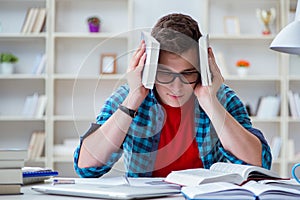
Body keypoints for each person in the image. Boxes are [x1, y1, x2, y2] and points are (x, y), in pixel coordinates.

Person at [74, 13, 272, 178]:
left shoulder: (221, 98)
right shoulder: (129, 95)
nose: (177, 87)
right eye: (165, 74)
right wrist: (133, 99)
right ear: (149, 67)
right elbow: (86, 167)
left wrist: (210, 103)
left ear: (202, 68)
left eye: (187, 73)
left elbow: (260, 163)